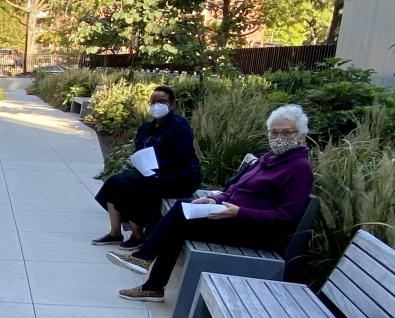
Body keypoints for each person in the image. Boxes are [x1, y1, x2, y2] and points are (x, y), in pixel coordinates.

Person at [107, 104, 315, 302]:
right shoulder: (269, 158)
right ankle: (151, 283)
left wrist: (240, 212)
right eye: (273, 132)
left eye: (286, 133)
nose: (279, 138)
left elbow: (287, 216)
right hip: (232, 217)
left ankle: (145, 262)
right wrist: (215, 199)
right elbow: (237, 188)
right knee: (183, 214)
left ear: (301, 135)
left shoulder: (298, 168)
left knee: (180, 215)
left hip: (256, 231)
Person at [93, 85, 201, 249]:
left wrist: (153, 171)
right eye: (153, 101)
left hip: (177, 176)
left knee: (134, 188)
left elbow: (180, 157)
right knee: (114, 182)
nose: (156, 105)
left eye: (162, 101)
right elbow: (139, 151)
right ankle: (115, 233)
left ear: (171, 104)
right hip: (146, 172)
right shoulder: (146, 128)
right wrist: (135, 162)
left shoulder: (180, 127)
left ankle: (138, 235)